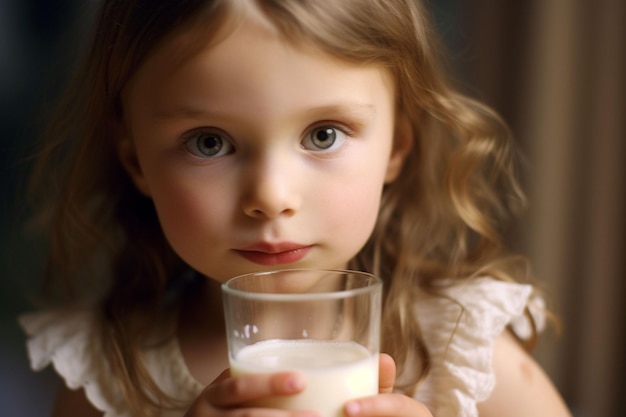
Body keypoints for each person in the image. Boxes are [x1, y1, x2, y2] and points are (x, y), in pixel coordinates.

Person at [19, 1, 573, 416]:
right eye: (209, 142)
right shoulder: (111, 372)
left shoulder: (460, 356)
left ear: (397, 146)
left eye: (324, 134)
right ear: (136, 159)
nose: (271, 197)